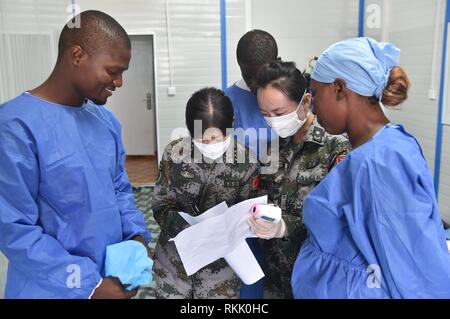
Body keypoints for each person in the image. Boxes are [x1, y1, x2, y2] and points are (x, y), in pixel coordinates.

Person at [0, 10, 151, 299]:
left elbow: (120, 188)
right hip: (50, 288)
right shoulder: (15, 127)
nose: (119, 83)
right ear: (78, 56)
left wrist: (136, 235)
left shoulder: (106, 122)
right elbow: (13, 228)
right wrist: (88, 285)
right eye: (113, 71)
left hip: (110, 277)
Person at [291, 37, 450, 298]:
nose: (313, 106)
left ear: (340, 89)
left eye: (316, 94)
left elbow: (412, 269)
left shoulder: (379, 162)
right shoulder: (380, 149)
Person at [246, 60, 351, 299]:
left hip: (314, 277)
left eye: (279, 113)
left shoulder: (335, 148)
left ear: (305, 102)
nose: (272, 120)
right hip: (274, 277)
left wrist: (286, 226)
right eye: (265, 114)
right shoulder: (274, 147)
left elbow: (339, 220)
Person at [152, 87, 260, 299]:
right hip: (174, 266)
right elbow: (160, 205)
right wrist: (188, 228)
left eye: (218, 138)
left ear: (231, 125)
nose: (211, 145)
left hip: (220, 274)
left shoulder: (246, 162)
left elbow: (247, 213)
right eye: (202, 140)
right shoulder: (174, 155)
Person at [224, 29, 279, 298]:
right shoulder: (226, 103)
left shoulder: (290, 96)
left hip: (284, 209)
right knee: (249, 285)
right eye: (249, 76)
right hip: (243, 214)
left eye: (262, 76)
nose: (255, 84)